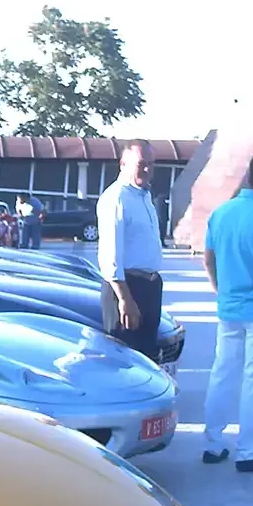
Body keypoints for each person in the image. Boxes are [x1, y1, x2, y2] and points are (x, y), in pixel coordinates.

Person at [201, 150, 253, 472]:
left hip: (229, 309)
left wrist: (221, 291)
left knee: (223, 374)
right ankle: (250, 451)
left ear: (248, 175)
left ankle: (212, 443)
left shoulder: (222, 213)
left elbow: (208, 259)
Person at [96, 139, 163, 360]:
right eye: (141, 164)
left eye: (151, 164)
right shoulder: (116, 199)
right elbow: (110, 255)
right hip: (127, 289)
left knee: (146, 360)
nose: (147, 169)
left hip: (149, 287)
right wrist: (125, 299)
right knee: (124, 363)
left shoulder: (144, 196)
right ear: (123, 164)